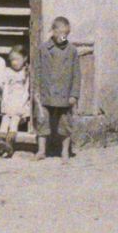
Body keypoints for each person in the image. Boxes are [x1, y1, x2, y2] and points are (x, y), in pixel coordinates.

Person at [35, 16, 79, 160]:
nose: (63, 37)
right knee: (42, 121)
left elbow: (76, 74)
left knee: (65, 123)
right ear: (53, 32)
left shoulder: (71, 50)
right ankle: (41, 150)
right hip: (46, 92)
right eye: (60, 34)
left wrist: (74, 94)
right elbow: (37, 70)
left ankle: (65, 151)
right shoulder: (43, 49)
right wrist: (36, 91)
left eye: (66, 34)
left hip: (64, 94)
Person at [0, 44, 33, 152]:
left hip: (20, 102)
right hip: (9, 101)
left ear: (25, 58)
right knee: (5, 120)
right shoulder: (7, 71)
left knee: (14, 121)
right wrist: (4, 103)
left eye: (17, 59)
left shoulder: (26, 72)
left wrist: (21, 105)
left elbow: (26, 90)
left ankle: (9, 144)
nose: (14, 62)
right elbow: (6, 89)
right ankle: (0, 144)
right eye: (12, 60)